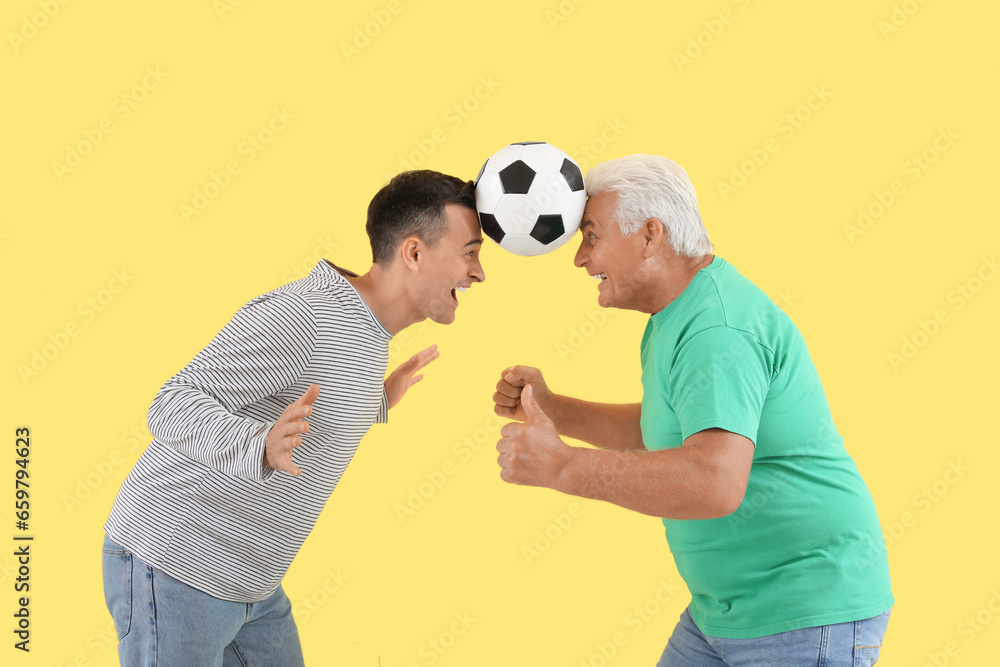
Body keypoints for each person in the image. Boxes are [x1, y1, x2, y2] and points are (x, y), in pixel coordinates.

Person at [492, 154, 893, 666]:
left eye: (592, 235)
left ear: (650, 235)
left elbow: (713, 480)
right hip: (723, 614)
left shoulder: (716, 329)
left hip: (802, 614)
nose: (581, 259)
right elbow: (670, 429)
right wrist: (555, 410)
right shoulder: (679, 313)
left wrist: (563, 465)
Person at [102, 170, 485, 666]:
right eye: (470, 252)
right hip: (177, 564)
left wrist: (378, 401)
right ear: (413, 252)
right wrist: (260, 443)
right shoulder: (304, 316)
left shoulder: (369, 331)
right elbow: (172, 403)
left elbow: (315, 398)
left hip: (254, 583)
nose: (478, 274)